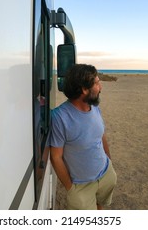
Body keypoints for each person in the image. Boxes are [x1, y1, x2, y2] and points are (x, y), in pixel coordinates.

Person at [49, 64, 117, 210]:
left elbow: (101, 135)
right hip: (81, 186)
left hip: (106, 174)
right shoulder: (59, 117)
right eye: (97, 83)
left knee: (101, 207)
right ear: (84, 89)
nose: (101, 88)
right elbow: (55, 157)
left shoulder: (94, 107)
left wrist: (109, 161)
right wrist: (71, 189)